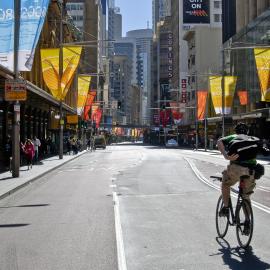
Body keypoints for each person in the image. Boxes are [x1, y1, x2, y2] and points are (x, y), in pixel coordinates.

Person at [217, 123, 269, 233]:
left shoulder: (234, 137)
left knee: (225, 184)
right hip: (251, 171)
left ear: (236, 132)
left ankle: (226, 208)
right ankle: (247, 222)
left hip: (236, 168)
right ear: (247, 132)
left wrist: (226, 155)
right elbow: (265, 151)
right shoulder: (253, 139)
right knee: (246, 196)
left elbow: (219, 141)